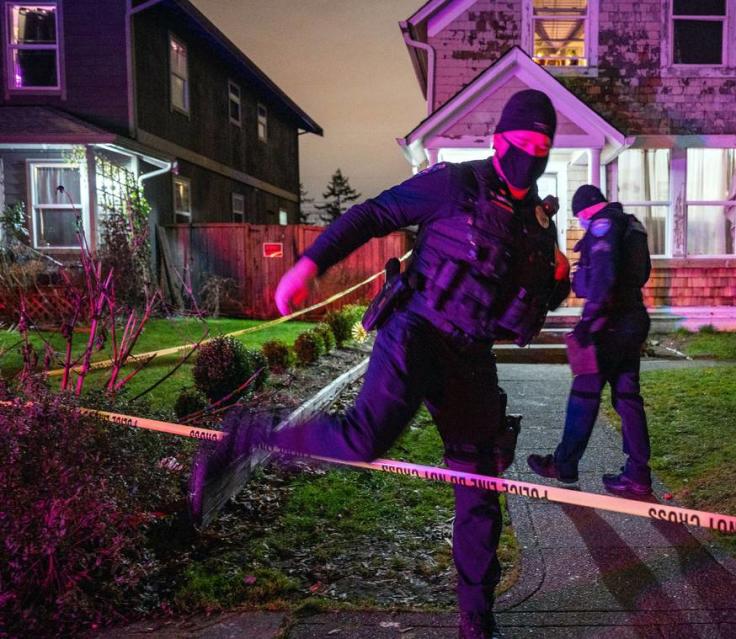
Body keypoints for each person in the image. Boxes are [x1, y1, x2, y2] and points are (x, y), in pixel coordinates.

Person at [193, 90, 568, 639]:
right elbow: (373, 214)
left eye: (542, 145)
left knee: (480, 479)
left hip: (470, 357)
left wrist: (558, 281)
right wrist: (309, 265)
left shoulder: (539, 224)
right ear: (499, 140)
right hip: (415, 331)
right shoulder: (453, 185)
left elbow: (532, 301)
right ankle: (250, 434)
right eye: (522, 141)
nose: (530, 153)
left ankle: (477, 619)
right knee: (363, 438)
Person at [526, 184, 655, 499]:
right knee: (627, 398)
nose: (581, 224)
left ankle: (564, 464)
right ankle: (639, 473)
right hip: (632, 319)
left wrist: (590, 322)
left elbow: (602, 277)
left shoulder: (602, 225)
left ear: (584, 210)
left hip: (607, 325)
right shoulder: (630, 224)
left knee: (584, 394)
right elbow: (641, 272)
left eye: (579, 218)